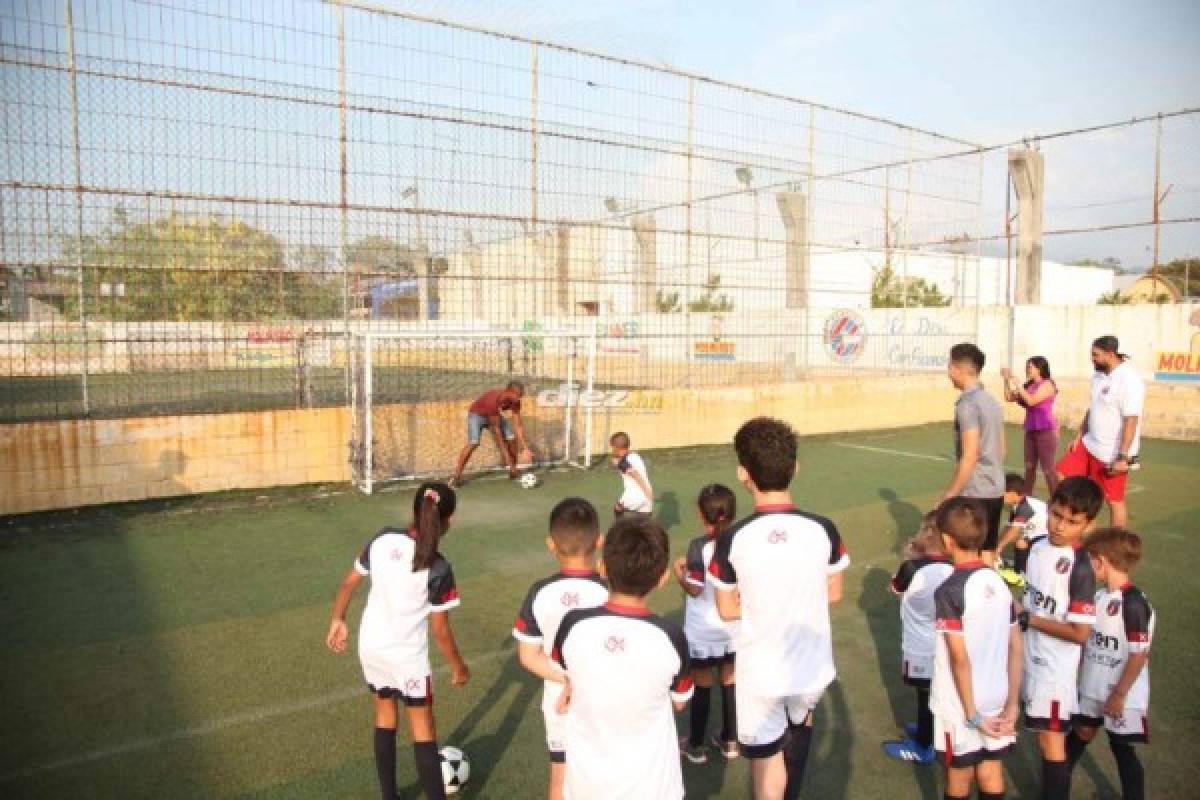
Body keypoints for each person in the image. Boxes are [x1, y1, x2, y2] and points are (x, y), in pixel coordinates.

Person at [708, 417, 850, 800]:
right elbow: (833, 593)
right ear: (795, 469)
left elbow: (726, 608)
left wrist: (757, 600)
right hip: (812, 668)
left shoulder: (734, 538)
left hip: (761, 672)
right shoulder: (824, 530)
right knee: (800, 728)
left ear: (743, 474)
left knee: (767, 766)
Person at [325, 482, 469, 800]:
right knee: (423, 730)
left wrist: (338, 619)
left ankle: (390, 797)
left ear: (413, 511)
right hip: (408, 660)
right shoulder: (440, 568)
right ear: (449, 521)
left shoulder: (383, 538)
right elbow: (441, 631)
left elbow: (349, 582)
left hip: (371, 647)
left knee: (385, 716)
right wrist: (459, 667)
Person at [551, 516, 693, 800]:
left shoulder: (572, 625)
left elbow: (565, 672)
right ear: (663, 577)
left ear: (602, 568)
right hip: (654, 788)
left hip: (586, 786)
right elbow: (680, 702)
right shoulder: (670, 636)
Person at [512, 497, 609, 800]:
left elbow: (528, 656)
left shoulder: (540, 592)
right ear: (599, 541)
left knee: (560, 779)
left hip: (557, 702)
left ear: (550, 544)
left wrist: (565, 679)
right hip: (605, 698)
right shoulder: (611, 591)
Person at [1015, 476, 1104, 800]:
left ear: (1088, 523)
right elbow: (1031, 597)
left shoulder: (1081, 568)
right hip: (1027, 656)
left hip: (1054, 671)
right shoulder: (1037, 545)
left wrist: (1032, 619)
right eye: (1056, 515)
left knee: (1050, 743)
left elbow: (1081, 632)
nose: (1060, 526)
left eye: (1072, 521)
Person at [929, 497, 1022, 800]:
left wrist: (971, 713)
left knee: (958, 777)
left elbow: (959, 659)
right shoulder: (998, 582)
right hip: (997, 693)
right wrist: (1012, 703)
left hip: (960, 703)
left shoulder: (949, 592)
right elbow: (1015, 647)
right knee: (990, 770)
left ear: (946, 540)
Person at [1068, 527, 1154, 800]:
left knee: (1122, 749)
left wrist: (1118, 695)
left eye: (1089, 560)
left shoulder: (1134, 603)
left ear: (1101, 561)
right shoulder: (1099, 596)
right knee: (1080, 733)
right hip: (1093, 688)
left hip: (1122, 695)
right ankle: (1054, 788)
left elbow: (1139, 654)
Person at [672, 483, 739, 764]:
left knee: (702, 683)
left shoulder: (699, 546)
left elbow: (696, 588)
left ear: (702, 515)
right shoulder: (740, 542)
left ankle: (696, 745)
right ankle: (730, 741)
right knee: (729, 679)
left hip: (703, 631)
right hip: (733, 627)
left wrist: (679, 571)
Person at [882, 511, 954, 765]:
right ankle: (929, 731)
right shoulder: (955, 568)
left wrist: (910, 556)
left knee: (926, 695)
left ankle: (924, 745)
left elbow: (896, 589)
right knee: (933, 690)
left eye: (922, 530)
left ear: (931, 535)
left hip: (921, 647)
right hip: (947, 644)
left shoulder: (912, 568)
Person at [1057, 336, 1146, 527]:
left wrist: (1122, 457)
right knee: (1062, 475)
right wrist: (1079, 436)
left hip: (1111, 453)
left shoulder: (1130, 380)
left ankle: (1116, 542)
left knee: (1114, 501)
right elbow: (1093, 407)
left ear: (1110, 355)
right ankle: (1083, 524)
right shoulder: (1098, 375)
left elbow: (1131, 419)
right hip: (1089, 444)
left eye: (1096, 355)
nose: (1092, 359)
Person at [943, 343, 1006, 562]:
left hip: (975, 491)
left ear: (957, 368)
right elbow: (1002, 449)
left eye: (949, 365)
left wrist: (951, 494)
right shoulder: (991, 401)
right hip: (995, 488)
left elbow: (970, 455)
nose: (948, 371)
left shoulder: (967, 405)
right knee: (987, 551)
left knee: (967, 554)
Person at [451, 381, 534, 486]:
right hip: (477, 415)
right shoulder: (493, 399)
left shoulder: (516, 401)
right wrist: (509, 464)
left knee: (512, 438)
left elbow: (518, 425)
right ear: (508, 392)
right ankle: (456, 476)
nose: (518, 399)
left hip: (494, 415)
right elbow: (498, 436)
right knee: (474, 442)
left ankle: (513, 472)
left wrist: (525, 447)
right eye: (517, 395)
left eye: (521, 396)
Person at [1002, 355, 1060, 496]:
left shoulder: (1047, 384)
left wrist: (1018, 385)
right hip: (1031, 430)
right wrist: (1006, 380)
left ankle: (1056, 498)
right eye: (1027, 366)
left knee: (1048, 469)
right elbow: (1009, 397)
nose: (1027, 369)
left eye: (1030, 366)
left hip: (1046, 430)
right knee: (1029, 468)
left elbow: (1032, 401)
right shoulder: (1029, 385)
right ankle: (1027, 498)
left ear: (1039, 368)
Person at [995, 472, 1049, 586]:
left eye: (1003, 492)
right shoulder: (1017, 505)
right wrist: (996, 545)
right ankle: (1020, 571)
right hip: (1037, 536)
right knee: (1020, 539)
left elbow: (1014, 531)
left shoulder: (1025, 507)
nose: (1000, 495)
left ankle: (1022, 574)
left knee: (1021, 541)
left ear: (1014, 493)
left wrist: (999, 548)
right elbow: (1008, 528)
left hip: (1046, 539)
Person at [610, 432, 653, 517]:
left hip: (635, 494)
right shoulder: (635, 455)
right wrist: (648, 492)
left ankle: (621, 529)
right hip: (646, 498)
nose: (612, 450)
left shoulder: (623, 462)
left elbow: (635, 474)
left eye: (613, 447)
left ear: (616, 448)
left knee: (618, 508)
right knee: (643, 524)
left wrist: (647, 491)